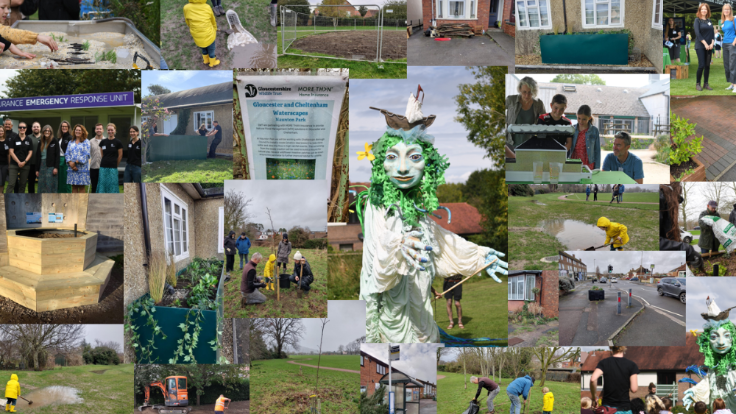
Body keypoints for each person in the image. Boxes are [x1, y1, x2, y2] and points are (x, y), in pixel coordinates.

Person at [590, 346, 639, 414]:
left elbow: (593, 379)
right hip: (624, 409)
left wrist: (594, 398)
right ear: (624, 348)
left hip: (607, 410)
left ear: (611, 348)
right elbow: (634, 389)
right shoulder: (632, 365)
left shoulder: (604, 363)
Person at [505, 76, 546, 157]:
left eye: (530, 92)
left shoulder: (538, 104)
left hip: (529, 146)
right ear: (520, 89)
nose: (527, 95)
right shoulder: (511, 100)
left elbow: (545, 121)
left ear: (534, 91)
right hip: (510, 144)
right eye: (524, 92)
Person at [184, 0, 220, 68]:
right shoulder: (207, 7)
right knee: (211, 50)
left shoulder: (186, 8)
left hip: (196, 35)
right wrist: (215, 28)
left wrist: (193, 28)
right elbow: (212, 19)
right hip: (209, 35)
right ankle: (212, 63)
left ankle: (206, 60)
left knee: (203, 48)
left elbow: (187, 21)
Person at [567, 105, 600, 171]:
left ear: (589, 118)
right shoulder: (572, 129)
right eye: (579, 118)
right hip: (574, 161)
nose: (581, 121)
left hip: (588, 162)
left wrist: (597, 168)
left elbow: (597, 150)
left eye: (584, 119)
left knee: (586, 180)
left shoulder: (594, 131)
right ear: (576, 115)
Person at [5, 121, 32, 194]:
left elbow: (30, 152)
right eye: (20, 127)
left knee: (22, 184)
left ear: (26, 129)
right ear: (18, 128)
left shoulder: (29, 139)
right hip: (14, 164)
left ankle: (20, 201)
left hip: (25, 165)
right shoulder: (13, 138)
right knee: (11, 184)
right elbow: (11, 151)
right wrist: (18, 162)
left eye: (24, 127)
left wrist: (24, 162)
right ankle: (6, 201)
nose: (22, 128)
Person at [694, 3, 715, 91]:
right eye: (702, 9)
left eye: (705, 9)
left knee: (707, 66)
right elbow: (698, 34)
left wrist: (712, 44)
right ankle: (697, 83)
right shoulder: (697, 20)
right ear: (699, 10)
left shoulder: (709, 21)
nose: (704, 10)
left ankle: (706, 83)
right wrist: (705, 44)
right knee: (701, 65)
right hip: (700, 46)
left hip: (709, 46)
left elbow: (712, 33)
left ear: (707, 11)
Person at [97, 123, 122, 193]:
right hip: (103, 167)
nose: (110, 131)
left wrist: (115, 164)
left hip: (113, 168)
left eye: (112, 130)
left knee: (112, 185)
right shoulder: (103, 142)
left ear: (115, 130)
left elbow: (120, 156)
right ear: (106, 131)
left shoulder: (118, 142)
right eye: (108, 130)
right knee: (103, 184)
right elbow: (102, 155)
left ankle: (113, 201)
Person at [66, 124, 90, 193]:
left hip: (82, 168)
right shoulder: (71, 142)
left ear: (83, 132)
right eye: (76, 130)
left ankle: (82, 203)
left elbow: (86, 155)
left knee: (82, 186)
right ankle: (74, 203)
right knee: (74, 186)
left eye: (80, 130)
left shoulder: (86, 142)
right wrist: (70, 163)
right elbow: (67, 153)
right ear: (74, 131)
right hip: (72, 168)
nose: (78, 131)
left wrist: (75, 162)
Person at [35, 125, 59, 194]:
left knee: (50, 184)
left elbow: (57, 155)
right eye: (46, 130)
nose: (47, 132)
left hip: (51, 166)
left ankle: (51, 201)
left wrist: (56, 167)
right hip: (42, 165)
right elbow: (37, 156)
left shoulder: (55, 141)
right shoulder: (40, 142)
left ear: (51, 132)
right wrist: (37, 169)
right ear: (43, 132)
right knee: (42, 184)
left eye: (49, 131)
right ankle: (42, 201)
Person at [722, 3, 736, 92]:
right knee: (727, 65)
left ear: (730, 10)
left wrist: (734, 43)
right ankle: (731, 83)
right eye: (725, 9)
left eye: (728, 9)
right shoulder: (723, 21)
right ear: (723, 11)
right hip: (724, 44)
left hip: (732, 44)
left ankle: (735, 85)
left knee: (733, 65)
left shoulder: (734, 19)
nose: (726, 11)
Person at [25, 121, 41, 194]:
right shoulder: (28, 137)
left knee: (41, 183)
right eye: (34, 127)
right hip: (30, 163)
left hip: (41, 164)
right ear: (32, 128)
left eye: (37, 127)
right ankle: (31, 199)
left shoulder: (44, 137)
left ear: (40, 128)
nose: (36, 128)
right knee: (31, 183)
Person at [57, 120, 72, 193]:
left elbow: (71, 151)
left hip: (66, 161)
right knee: (60, 180)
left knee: (66, 180)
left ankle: (67, 196)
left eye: (65, 126)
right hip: (59, 160)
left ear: (68, 127)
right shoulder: (59, 138)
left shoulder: (70, 137)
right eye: (62, 126)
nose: (64, 128)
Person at [89, 123, 104, 192]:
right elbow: (89, 155)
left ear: (103, 130)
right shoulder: (91, 141)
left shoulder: (106, 141)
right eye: (97, 129)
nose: (99, 130)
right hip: (93, 167)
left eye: (100, 129)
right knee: (94, 187)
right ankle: (94, 202)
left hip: (103, 167)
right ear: (95, 130)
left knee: (102, 187)